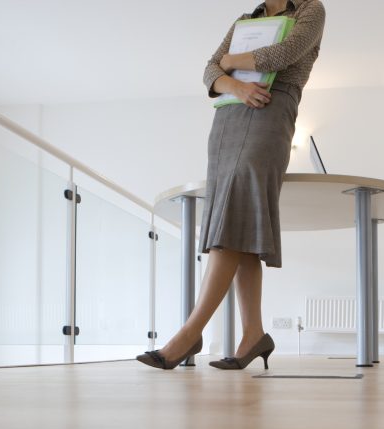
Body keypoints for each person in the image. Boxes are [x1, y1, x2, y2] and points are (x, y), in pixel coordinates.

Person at [137, 0, 326, 371]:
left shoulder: (310, 9)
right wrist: (235, 84)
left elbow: (282, 55)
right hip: (228, 116)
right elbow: (210, 71)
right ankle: (253, 334)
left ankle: (190, 333)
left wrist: (230, 63)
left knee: (233, 219)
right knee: (243, 224)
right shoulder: (246, 19)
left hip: (270, 109)